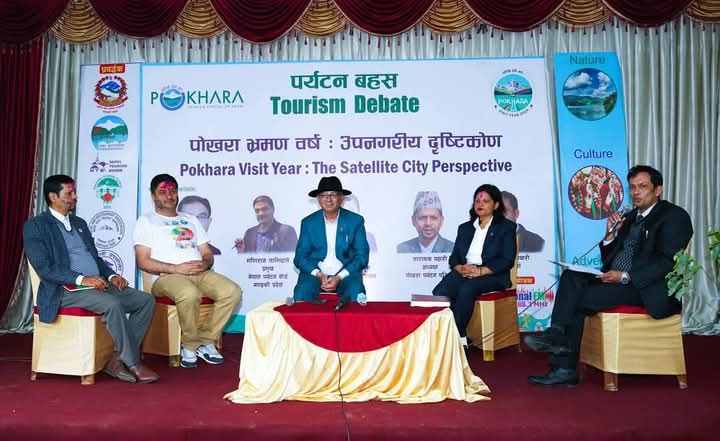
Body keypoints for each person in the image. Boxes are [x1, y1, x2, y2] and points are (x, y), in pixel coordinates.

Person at [525, 165, 693, 386]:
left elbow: (667, 262)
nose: (636, 192)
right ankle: (556, 335)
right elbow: (610, 257)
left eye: (642, 187)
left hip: (647, 288)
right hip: (617, 281)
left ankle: (564, 368)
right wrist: (609, 236)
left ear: (658, 189)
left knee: (583, 298)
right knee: (570, 277)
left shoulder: (674, 216)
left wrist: (625, 276)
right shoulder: (630, 216)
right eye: (632, 187)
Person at [23, 175, 159, 383]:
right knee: (112, 304)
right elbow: (44, 268)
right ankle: (132, 362)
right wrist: (81, 279)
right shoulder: (36, 226)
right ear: (53, 197)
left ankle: (116, 358)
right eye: (69, 193)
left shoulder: (79, 223)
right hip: (64, 290)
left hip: (97, 284)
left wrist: (111, 275)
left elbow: (95, 258)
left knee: (145, 301)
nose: (75, 197)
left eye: (74, 192)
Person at [134, 174, 242, 369]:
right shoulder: (147, 221)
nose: (169, 196)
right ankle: (190, 345)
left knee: (232, 292)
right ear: (153, 196)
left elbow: (207, 253)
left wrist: (205, 264)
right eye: (163, 192)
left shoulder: (190, 219)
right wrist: (175, 268)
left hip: (200, 273)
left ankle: (206, 340)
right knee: (189, 294)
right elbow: (142, 261)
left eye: (172, 191)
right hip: (167, 277)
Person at [432, 184, 517, 347]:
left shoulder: (506, 228)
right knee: (441, 291)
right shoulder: (465, 228)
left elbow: (507, 259)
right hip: (466, 271)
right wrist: (460, 268)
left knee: (467, 289)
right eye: (477, 201)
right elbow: (454, 258)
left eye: (485, 201)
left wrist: (481, 271)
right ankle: (456, 334)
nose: (480, 204)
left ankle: (453, 339)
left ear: (496, 205)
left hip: (492, 275)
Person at [293, 176, 369, 303]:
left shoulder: (355, 221)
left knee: (356, 290)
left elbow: (362, 257)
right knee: (302, 291)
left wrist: (339, 276)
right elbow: (300, 257)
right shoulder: (308, 223)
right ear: (318, 199)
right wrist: (318, 274)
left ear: (341, 198)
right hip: (316, 275)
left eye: (333, 194)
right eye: (324, 195)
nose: (328, 199)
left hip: (346, 274)